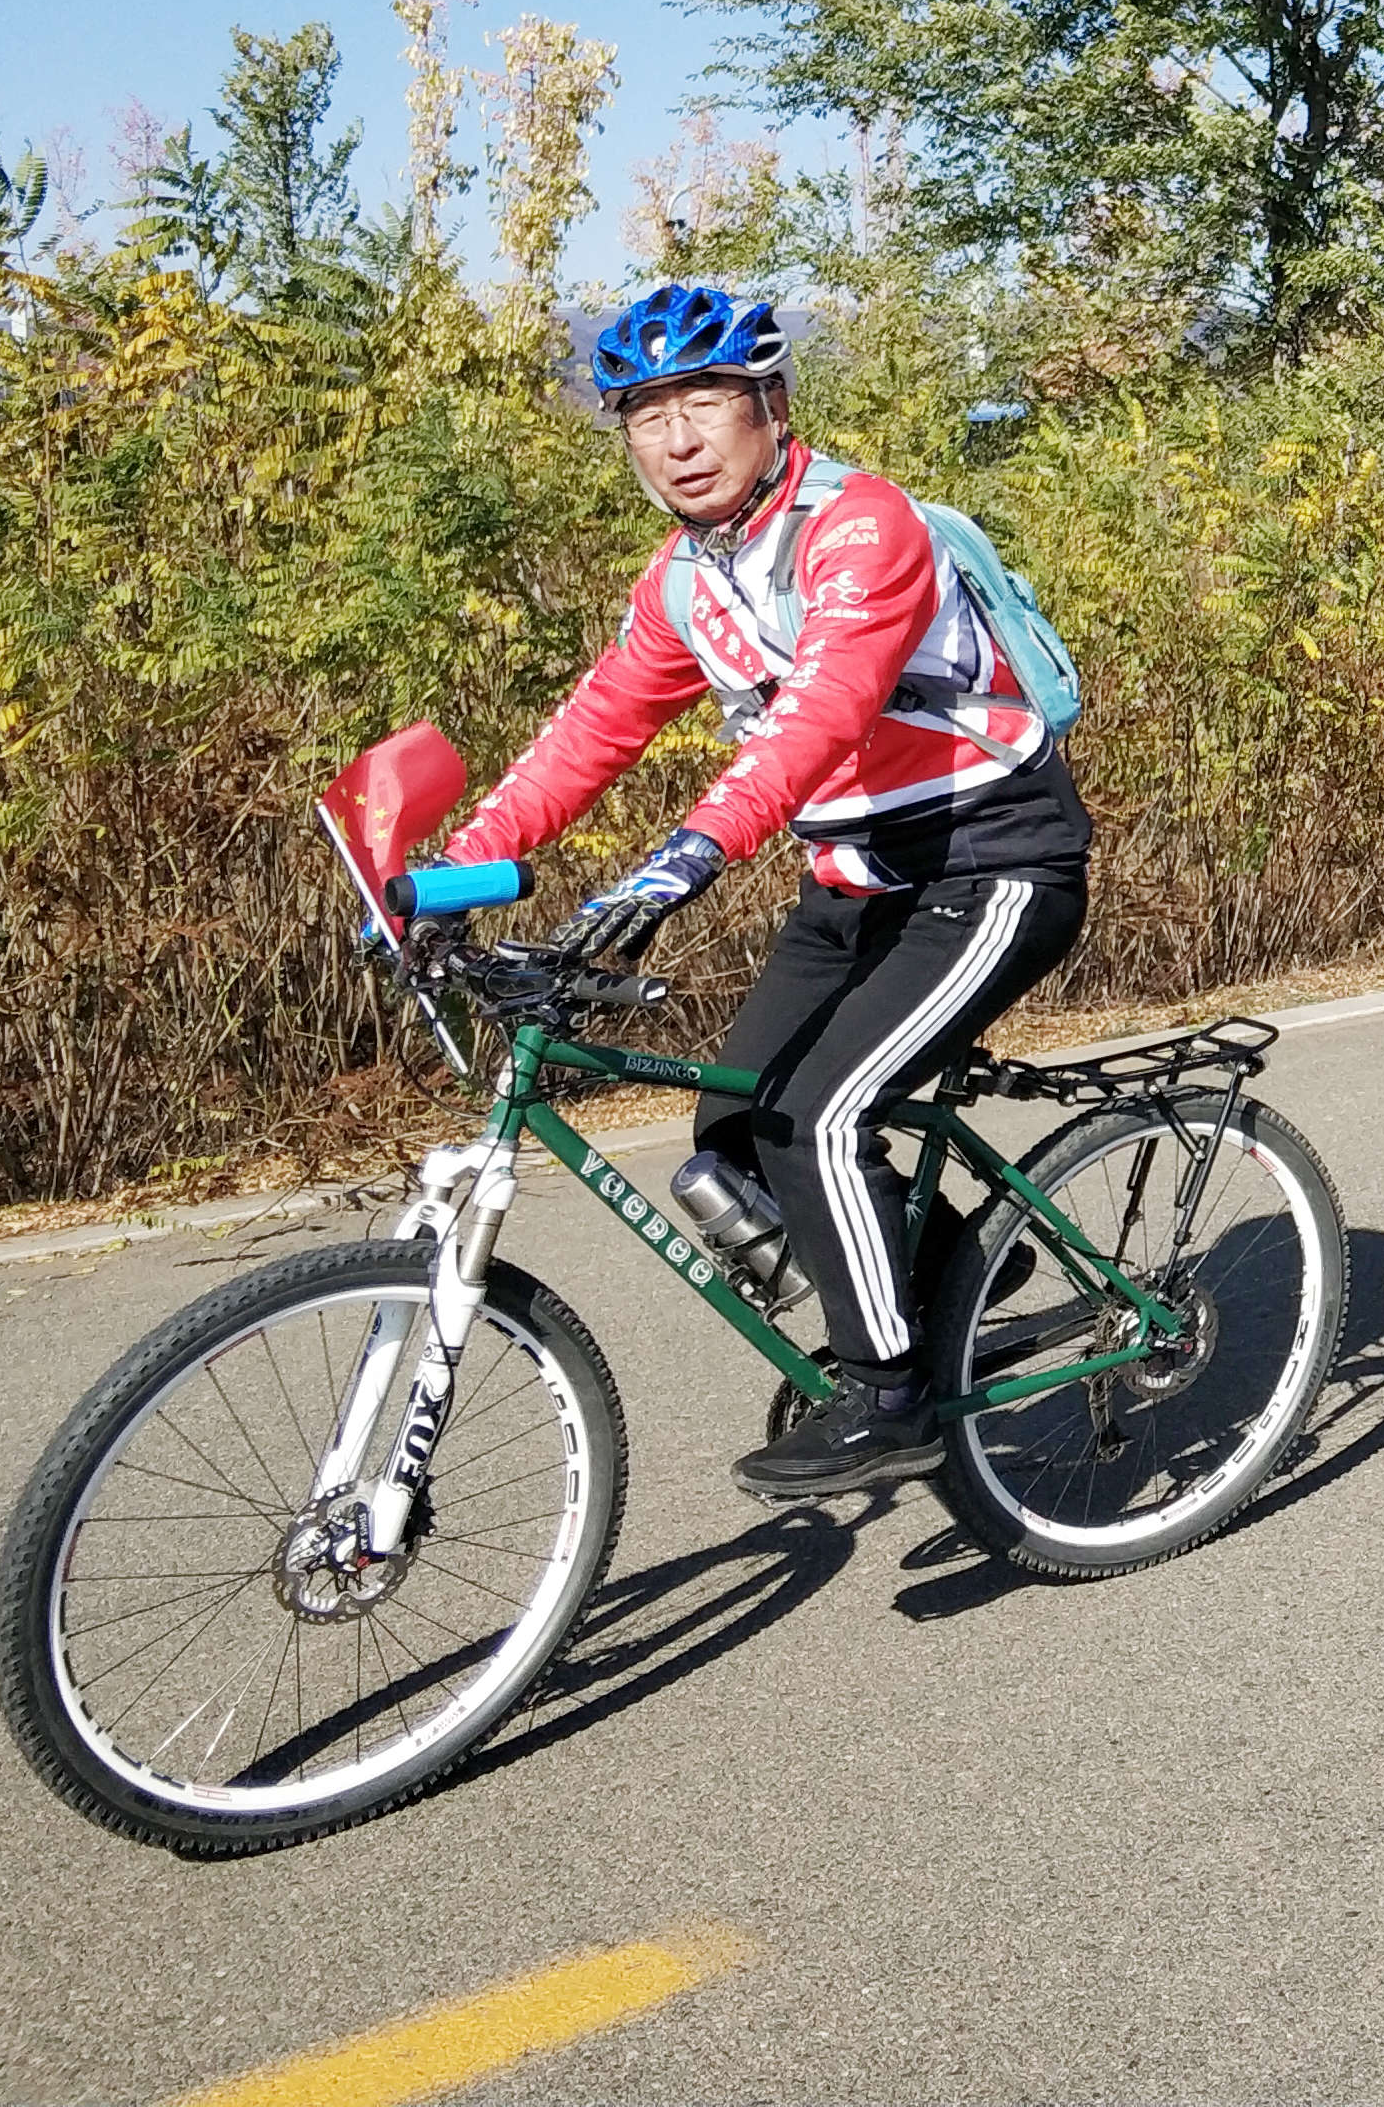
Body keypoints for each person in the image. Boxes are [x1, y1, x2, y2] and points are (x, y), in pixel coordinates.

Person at [441, 283, 1092, 1498]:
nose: (678, 439)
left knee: (820, 1115)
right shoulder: (685, 581)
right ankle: (946, 1283)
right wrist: (450, 870)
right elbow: (592, 731)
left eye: (705, 402)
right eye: (648, 415)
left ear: (772, 405)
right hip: (853, 876)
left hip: (990, 856)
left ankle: (889, 1397)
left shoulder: (859, 527)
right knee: (734, 1124)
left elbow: (821, 713)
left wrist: (692, 849)